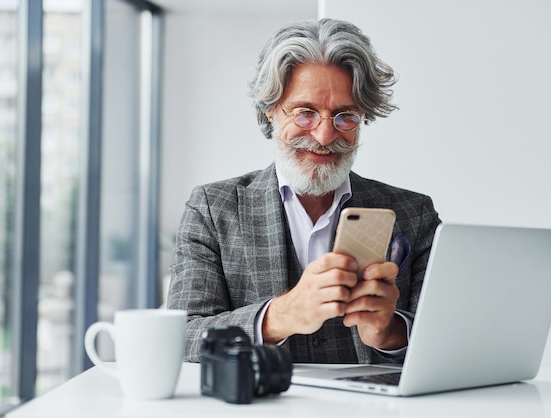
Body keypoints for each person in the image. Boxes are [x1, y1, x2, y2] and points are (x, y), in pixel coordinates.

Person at [167, 18, 441, 364]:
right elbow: (181, 338)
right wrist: (280, 316)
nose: (325, 136)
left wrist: (389, 333)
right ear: (271, 112)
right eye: (305, 113)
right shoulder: (212, 209)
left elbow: (446, 340)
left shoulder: (413, 213)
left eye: (345, 116)